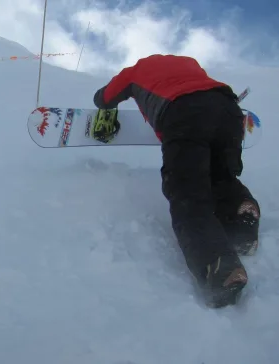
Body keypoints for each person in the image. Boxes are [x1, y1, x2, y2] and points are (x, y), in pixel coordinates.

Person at [92, 54, 260, 308]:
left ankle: (220, 266)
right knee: (220, 176)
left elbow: (105, 97)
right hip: (229, 110)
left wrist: (103, 104)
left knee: (187, 193)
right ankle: (240, 212)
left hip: (184, 113)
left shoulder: (134, 71)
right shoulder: (190, 63)